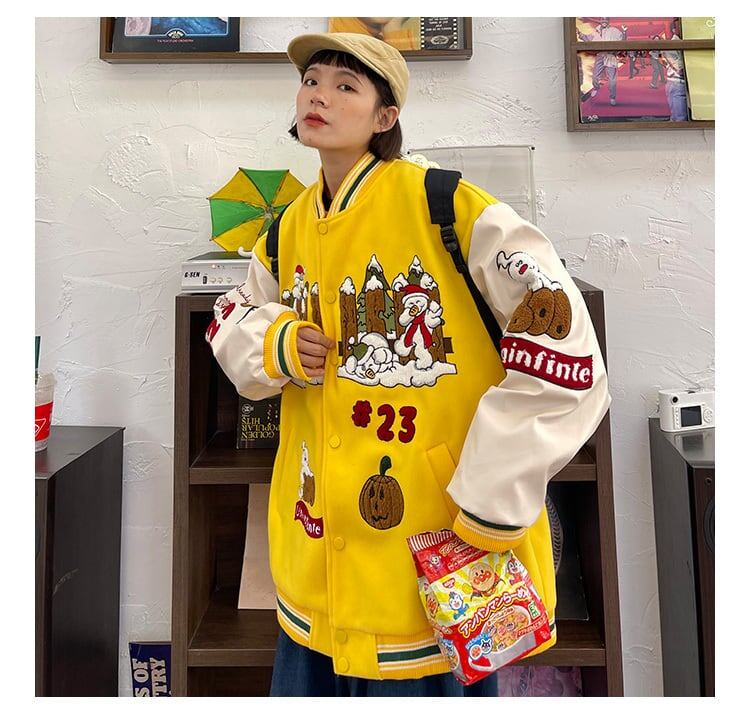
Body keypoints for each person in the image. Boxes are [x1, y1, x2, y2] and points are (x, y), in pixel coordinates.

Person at [206, 31, 612, 697]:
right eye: (311, 81)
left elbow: (564, 347)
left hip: (434, 563)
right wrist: (277, 342)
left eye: (346, 85)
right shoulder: (286, 229)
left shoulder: (445, 204)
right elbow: (233, 315)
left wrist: (490, 497)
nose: (320, 96)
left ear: (385, 116)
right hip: (316, 571)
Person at [578, 17, 625, 105]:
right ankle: (596, 87)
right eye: (603, 19)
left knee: (612, 79)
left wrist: (624, 32)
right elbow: (587, 39)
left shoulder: (614, 31)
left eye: (606, 19)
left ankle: (612, 97)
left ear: (608, 21)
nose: (604, 21)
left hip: (610, 56)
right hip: (600, 55)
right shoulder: (596, 31)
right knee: (595, 76)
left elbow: (622, 40)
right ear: (600, 20)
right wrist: (580, 33)